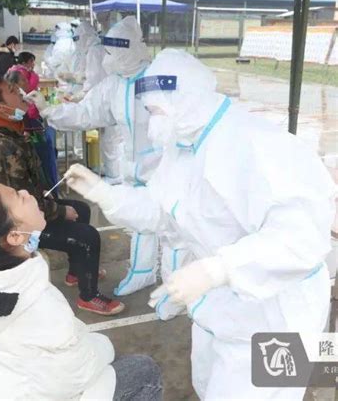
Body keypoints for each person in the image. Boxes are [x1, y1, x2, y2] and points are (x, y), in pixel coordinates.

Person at [65, 48, 335, 400]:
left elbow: (300, 239)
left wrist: (217, 269)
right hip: (223, 310)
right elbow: (163, 209)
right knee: (209, 386)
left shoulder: (261, 145)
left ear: (187, 101)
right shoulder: (184, 145)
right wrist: (107, 194)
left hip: (280, 316)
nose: (151, 123)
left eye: (155, 112)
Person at [0, 183, 162, 400]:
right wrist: (103, 346)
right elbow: (76, 374)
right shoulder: (38, 303)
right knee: (143, 369)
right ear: (15, 236)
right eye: (19, 196)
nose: (27, 192)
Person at [28, 16, 164, 302]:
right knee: (142, 221)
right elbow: (86, 113)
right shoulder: (114, 85)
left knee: (173, 229)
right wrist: (48, 110)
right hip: (134, 168)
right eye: (109, 51)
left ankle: (173, 284)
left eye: (116, 52)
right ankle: (144, 270)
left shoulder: (158, 79)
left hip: (165, 168)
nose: (109, 58)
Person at [0, 70, 124, 316]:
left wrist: (52, 198)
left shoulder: (8, 132)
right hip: (10, 229)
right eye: (12, 92)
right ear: (0, 108)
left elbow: (27, 190)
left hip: (15, 212)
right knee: (87, 236)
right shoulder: (4, 148)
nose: (20, 94)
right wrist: (60, 210)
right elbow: (23, 208)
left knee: (81, 209)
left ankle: (77, 272)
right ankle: (89, 296)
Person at [71, 21, 123, 183]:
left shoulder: (94, 51)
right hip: (109, 97)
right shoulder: (97, 48)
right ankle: (111, 171)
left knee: (110, 139)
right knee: (110, 138)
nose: (77, 41)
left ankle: (114, 175)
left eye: (78, 38)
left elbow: (93, 79)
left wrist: (82, 95)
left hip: (107, 100)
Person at [5, 69, 59, 193]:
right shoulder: (16, 102)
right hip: (35, 137)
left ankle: (52, 191)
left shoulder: (25, 97)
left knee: (47, 168)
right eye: (23, 80)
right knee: (44, 171)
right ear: (14, 85)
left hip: (38, 134)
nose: (27, 82)